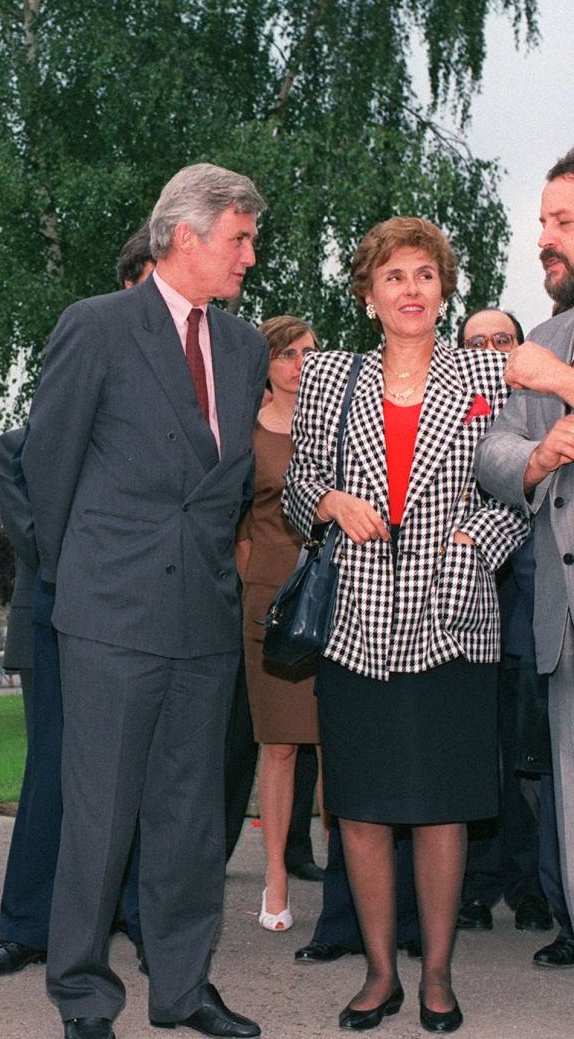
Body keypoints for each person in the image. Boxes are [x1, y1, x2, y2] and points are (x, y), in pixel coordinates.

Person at [25, 163, 267, 1039]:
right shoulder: (96, 327)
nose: (250, 254)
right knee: (100, 817)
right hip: (111, 617)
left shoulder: (243, 347)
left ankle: (182, 989)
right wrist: (81, 576)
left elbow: (230, 484)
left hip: (203, 617)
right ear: (186, 238)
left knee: (191, 820)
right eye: (239, 238)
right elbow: (43, 468)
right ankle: (84, 994)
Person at [284, 216, 528, 1033]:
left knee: (442, 809)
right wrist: (328, 500)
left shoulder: (484, 373)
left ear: (444, 286)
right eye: (394, 277)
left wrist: (472, 543)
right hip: (354, 625)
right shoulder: (328, 378)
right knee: (360, 808)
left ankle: (439, 977)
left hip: (451, 620)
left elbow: (517, 496)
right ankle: (380, 974)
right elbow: (295, 488)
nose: (411, 290)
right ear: (368, 293)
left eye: (425, 274)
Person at [0, 227, 156, 983]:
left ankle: (138, 918)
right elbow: (37, 529)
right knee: (53, 773)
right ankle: (28, 927)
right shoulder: (29, 438)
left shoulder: (178, 420)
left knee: (142, 776)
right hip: (59, 621)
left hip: (147, 621)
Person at [476, 147, 574, 972]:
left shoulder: (549, 356)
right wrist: (537, 460)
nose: (546, 239)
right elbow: (493, 454)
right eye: (544, 222)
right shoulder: (542, 336)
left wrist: (567, 382)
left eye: (565, 223)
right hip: (561, 623)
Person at [453, 309, 553, 937]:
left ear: (520, 348)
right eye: (476, 341)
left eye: (502, 339)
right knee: (474, 760)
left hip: (524, 616)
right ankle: (475, 886)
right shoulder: (440, 404)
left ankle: (531, 887)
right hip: (455, 620)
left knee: (525, 765)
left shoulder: (540, 405)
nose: (490, 349)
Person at [236, 315, 322, 934]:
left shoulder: (341, 426)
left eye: (309, 353)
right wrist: (255, 588)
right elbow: (235, 526)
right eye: (287, 354)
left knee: (345, 747)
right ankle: (276, 880)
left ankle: (352, 887)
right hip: (269, 600)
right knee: (282, 746)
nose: (299, 364)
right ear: (265, 364)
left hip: (342, 598)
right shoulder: (247, 434)